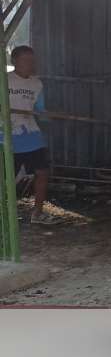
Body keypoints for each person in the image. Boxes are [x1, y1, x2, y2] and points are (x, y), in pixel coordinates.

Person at [0, 46, 58, 224]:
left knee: (42, 172)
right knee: (5, 177)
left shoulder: (37, 84)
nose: (30, 64)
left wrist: (47, 116)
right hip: (6, 134)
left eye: (32, 60)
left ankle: (38, 213)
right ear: (14, 61)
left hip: (31, 133)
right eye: (25, 60)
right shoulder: (4, 80)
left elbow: (39, 110)